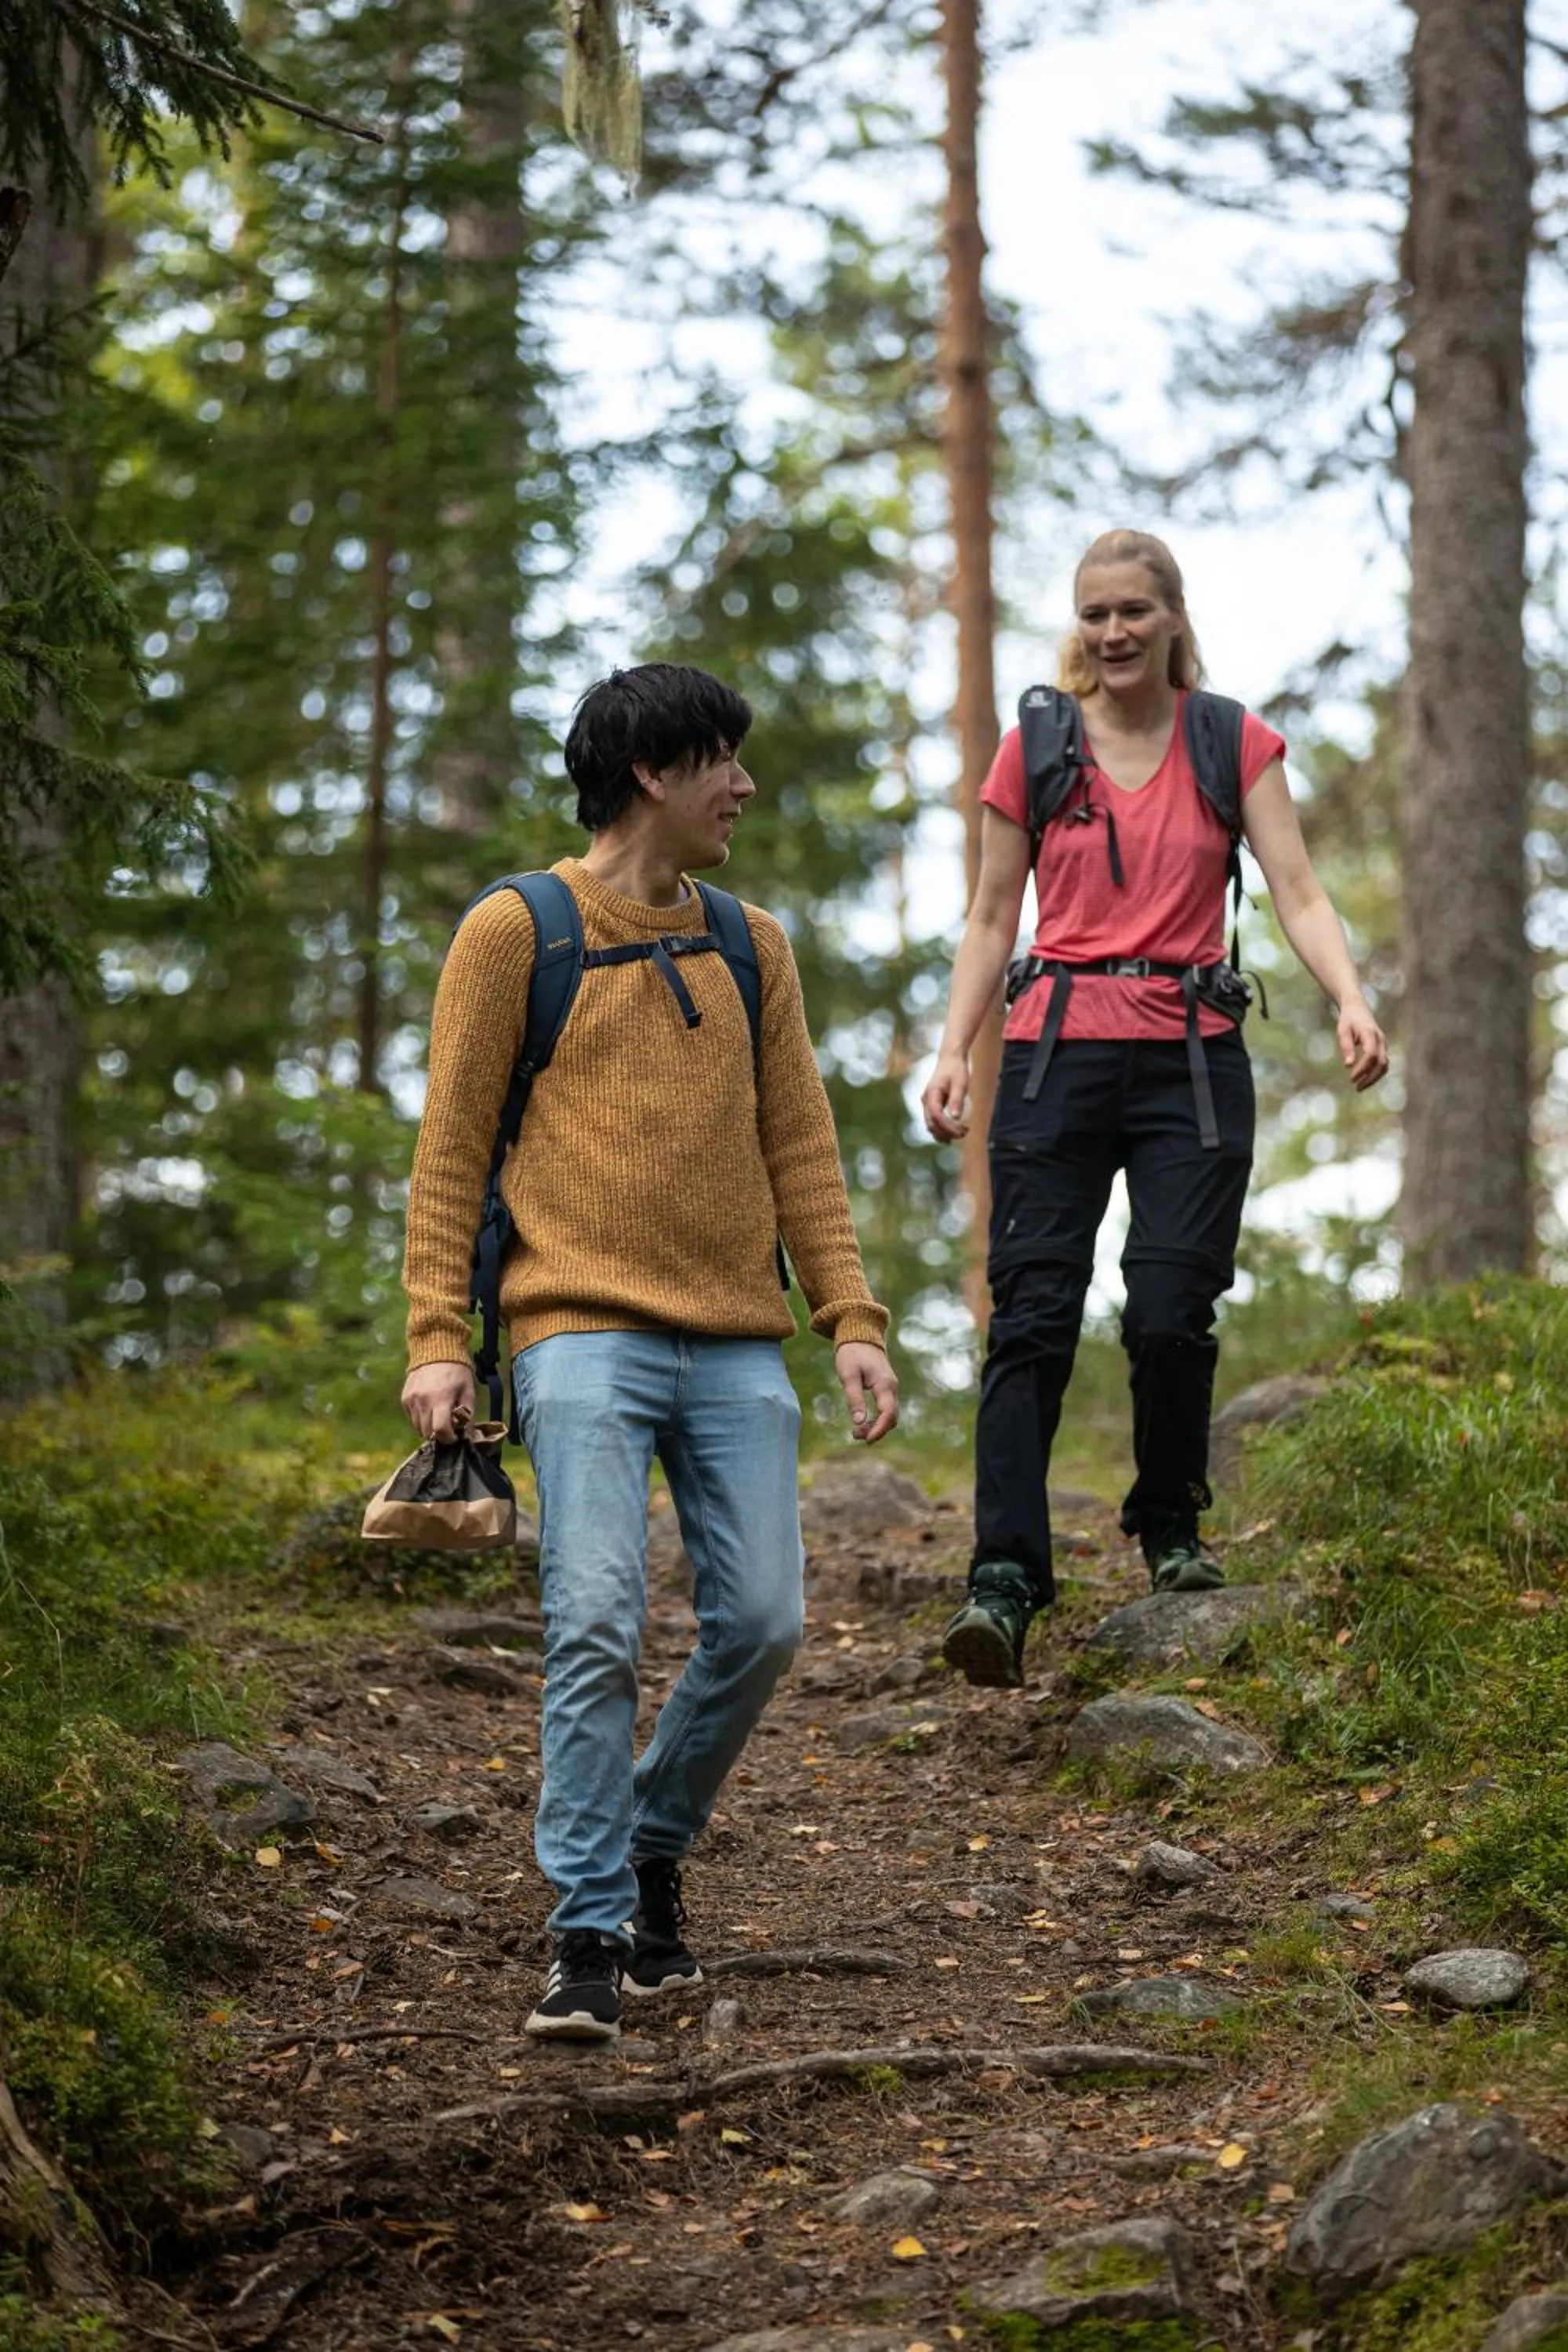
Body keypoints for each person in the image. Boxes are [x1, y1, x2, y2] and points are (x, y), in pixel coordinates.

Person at [400, 663, 898, 2040]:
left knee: (764, 1622)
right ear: (650, 775)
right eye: (722, 760)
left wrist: (849, 1318)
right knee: (598, 1617)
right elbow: (450, 1153)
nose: (743, 785)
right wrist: (440, 1339)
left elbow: (801, 1142)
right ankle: (586, 1930)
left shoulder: (756, 944)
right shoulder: (516, 931)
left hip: (738, 1341)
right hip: (576, 1331)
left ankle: (649, 1845)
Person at [922, 528, 1388, 1690]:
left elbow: (1298, 888)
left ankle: (1172, 1528)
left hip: (1190, 1062)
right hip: (1051, 1061)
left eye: (1134, 610)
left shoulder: (1233, 740)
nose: (1114, 632)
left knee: (1171, 1311)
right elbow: (990, 918)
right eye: (1095, 613)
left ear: (1173, 616)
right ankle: (1005, 1577)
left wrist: (1350, 999)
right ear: (1077, 625)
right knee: (1030, 1317)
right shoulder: (1033, 747)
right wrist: (954, 1051)